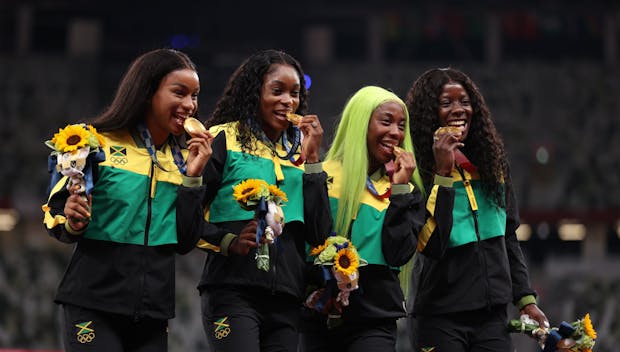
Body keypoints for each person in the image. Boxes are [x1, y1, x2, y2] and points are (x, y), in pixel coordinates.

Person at [42, 48, 212, 351]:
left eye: (195, 96)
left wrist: (193, 179)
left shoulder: (187, 160)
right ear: (148, 92)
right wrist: (72, 219)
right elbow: (56, 213)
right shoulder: (93, 142)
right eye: (179, 92)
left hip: (152, 313)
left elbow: (186, 241)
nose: (189, 105)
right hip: (93, 304)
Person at [175, 49, 330, 352]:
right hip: (232, 291)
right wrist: (227, 241)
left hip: (287, 298)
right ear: (255, 92)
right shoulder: (222, 139)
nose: (288, 101)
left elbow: (319, 233)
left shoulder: (305, 153)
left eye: (295, 93)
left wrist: (313, 162)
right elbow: (186, 219)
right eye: (277, 91)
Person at [405, 67, 548, 351]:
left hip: (491, 317)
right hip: (439, 317)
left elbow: (507, 236)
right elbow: (432, 244)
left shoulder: (492, 166)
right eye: (446, 103)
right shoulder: (414, 170)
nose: (459, 110)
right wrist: (443, 173)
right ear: (428, 113)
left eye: (465, 102)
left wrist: (525, 299)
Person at [299, 86, 449, 352]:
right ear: (360, 124)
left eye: (402, 126)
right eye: (386, 121)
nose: (396, 133)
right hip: (317, 315)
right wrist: (311, 165)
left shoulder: (406, 191)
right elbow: (313, 237)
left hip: (375, 320)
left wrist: (401, 190)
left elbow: (398, 254)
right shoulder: (318, 175)